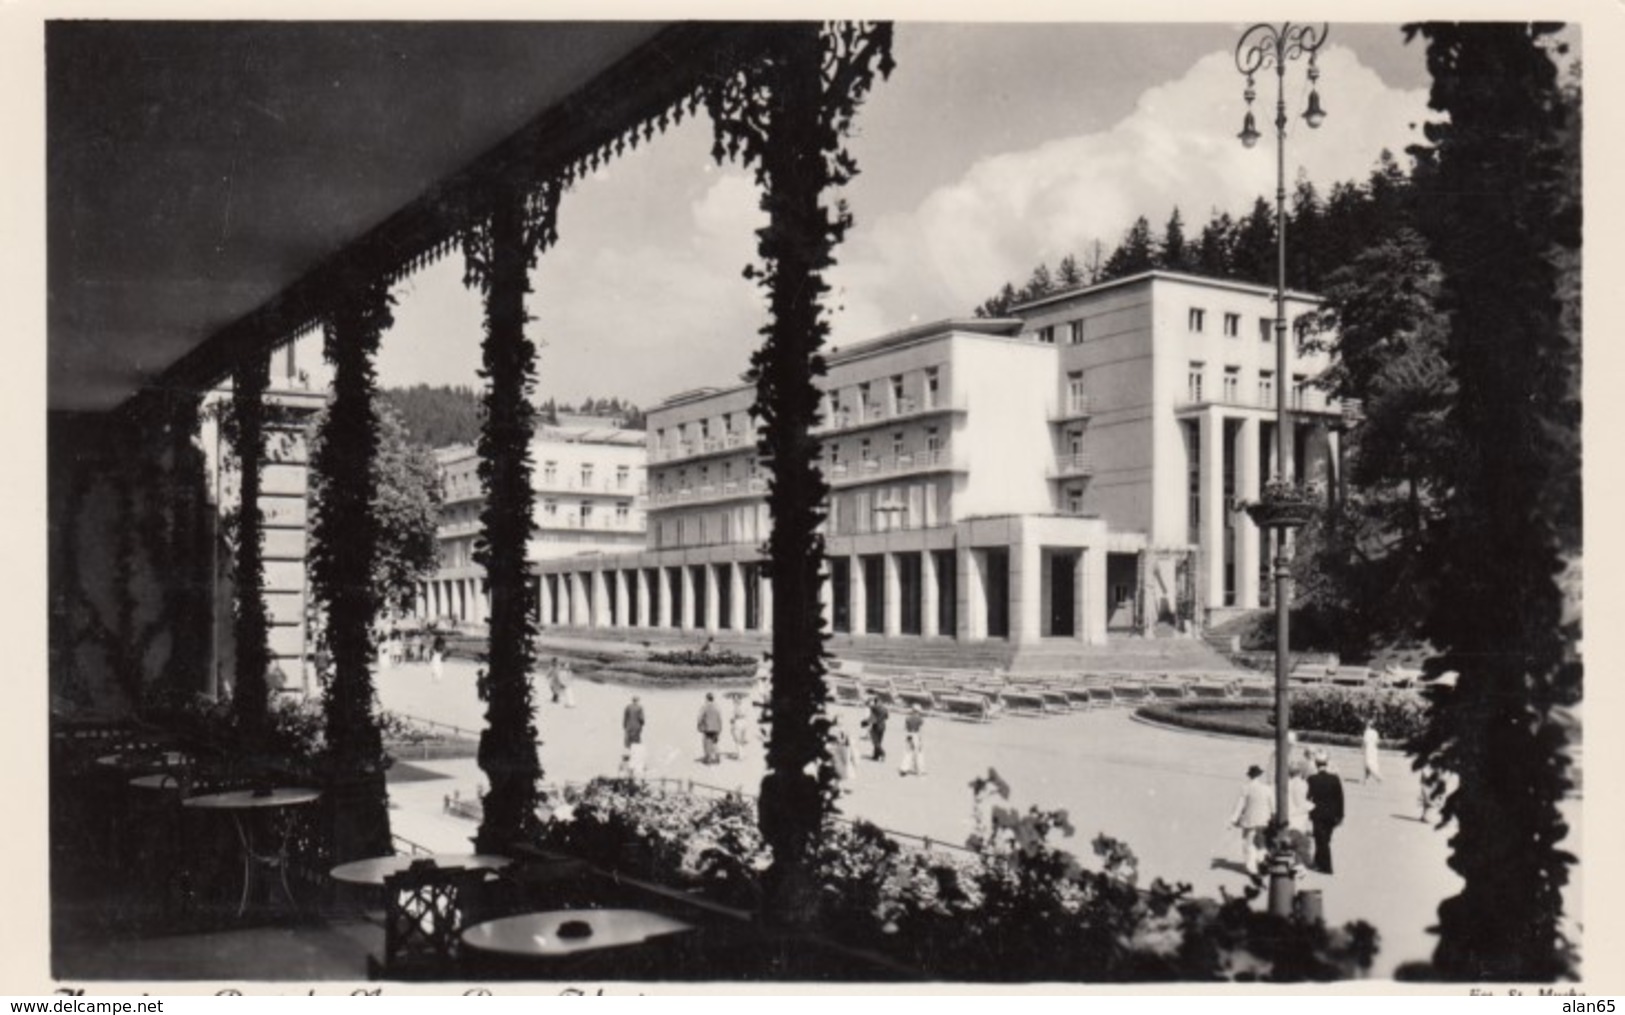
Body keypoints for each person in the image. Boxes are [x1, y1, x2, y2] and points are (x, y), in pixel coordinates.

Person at [1229, 764, 1275, 877]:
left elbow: (1240, 805)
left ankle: (1251, 867)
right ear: (1260, 776)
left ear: (1250, 776)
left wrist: (1233, 819)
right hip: (1264, 820)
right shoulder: (1267, 788)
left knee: (1248, 843)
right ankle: (1263, 862)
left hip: (1249, 820)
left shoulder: (1246, 788)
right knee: (1261, 843)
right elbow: (1273, 806)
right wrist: (1273, 817)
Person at [1306, 751, 1346, 874]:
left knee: (1321, 840)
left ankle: (1326, 867)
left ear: (1316, 764)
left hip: (1317, 814)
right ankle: (1318, 862)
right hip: (1332, 814)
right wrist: (1340, 816)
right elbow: (1340, 798)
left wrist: (1308, 812)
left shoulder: (1312, 779)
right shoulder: (1335, 778)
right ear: (1327, 763)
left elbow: (1308, 797)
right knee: (1325, 839)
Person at [622, 695, 647, 779]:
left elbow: (625, 718)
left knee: (628, 743)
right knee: (636, 743)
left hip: (629, 727)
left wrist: (625, 725)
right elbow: (642, 719)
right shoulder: (640, 708)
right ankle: (635, 758)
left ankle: (628, 756)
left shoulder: (627, 707)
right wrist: (642, 724)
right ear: (637, 700)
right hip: (636, 727)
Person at [697, 692, 724, 765]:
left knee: (707, 743)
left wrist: (699, 725)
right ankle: (717, 758)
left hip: (708, 728)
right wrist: (720, 728)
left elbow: (700, 717)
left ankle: (708, 759)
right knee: (715, 743)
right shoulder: (717, 707)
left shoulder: (704, 707)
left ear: (706, 699)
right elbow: (719, 718)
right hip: (716, 728)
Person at [899, 705, 926, 776]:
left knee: (908, 752)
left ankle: (904, 768)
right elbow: (920, 730)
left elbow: (904, 728)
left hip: (909, 735)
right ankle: (919, 770)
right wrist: (920, 741)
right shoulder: (920, 719)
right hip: (916, 735)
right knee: (918, 753)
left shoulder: (908, 718)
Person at [864, 696, 890, 762]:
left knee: (875, 742)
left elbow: (871, 717)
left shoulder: (874, 708)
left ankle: (882, 753)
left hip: (876, 726)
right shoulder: (885, 708)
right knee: (879, 741)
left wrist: (866, 722)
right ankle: (876, 755)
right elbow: (887, 717)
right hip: (883, 726)